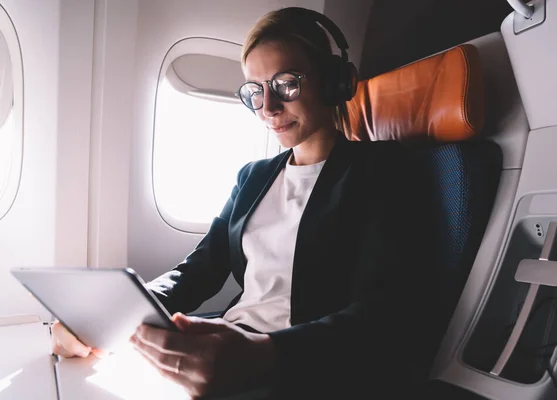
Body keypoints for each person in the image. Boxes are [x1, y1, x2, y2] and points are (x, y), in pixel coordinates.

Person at [51, 6, 438, 399]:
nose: (268, 107)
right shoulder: (253, 177)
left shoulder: (381, 170)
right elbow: (199, 269)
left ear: (334, 82)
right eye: (255, 90)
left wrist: (262, 354)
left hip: (299, 365)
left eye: (286, 84)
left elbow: (384, 314)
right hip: (233, 342)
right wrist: (111, 313)